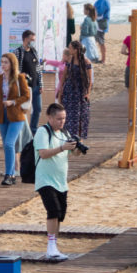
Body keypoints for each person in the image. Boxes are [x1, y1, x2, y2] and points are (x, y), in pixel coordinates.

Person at [33, 103, 80, 260]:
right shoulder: (43, 131)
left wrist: (77, 148)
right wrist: (62, 148)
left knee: (60, 214)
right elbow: (43, 153)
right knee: (53, 211)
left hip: (61, 181)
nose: (62, 121)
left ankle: (54, 246)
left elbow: (74, 154)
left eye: (64, 118)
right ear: (50, 118)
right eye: (59, 119)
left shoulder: (64, 132)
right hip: (45, 180)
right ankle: (50, 247)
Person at [0, 52, 31, 186]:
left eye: (6, 62)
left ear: (12, 64)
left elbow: (26, 95)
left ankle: (9, 174)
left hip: (17, 115)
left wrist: (13, 102)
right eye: (2, 62)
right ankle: (11, 174)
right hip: (2, 115)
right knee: (6, 146)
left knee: (9, 144)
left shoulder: (19, 78)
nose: (3, 65)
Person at [57, 40, 92, 139]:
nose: (69, 50)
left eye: (70, 48)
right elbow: (64, 76)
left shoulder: (86, 62)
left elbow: (90, 80)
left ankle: (78, 139)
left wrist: (88, 93)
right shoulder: (70, 60)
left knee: (80, 116)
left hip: (80, 92)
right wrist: (60, 90)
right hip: (69, 91)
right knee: (68, 115)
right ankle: (68, 137)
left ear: (76, 50)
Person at [13, 29, 43, 132]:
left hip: (36, 85)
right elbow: (14, 69)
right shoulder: (18, 52)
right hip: (24, 86)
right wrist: (21, 74)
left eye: (34, 40)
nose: (33, 42)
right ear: (25, 39)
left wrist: (41, 84)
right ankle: (22, 131)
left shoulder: (34, 51)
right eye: (32, 39)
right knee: (23, 109)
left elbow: (38, 68)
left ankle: (33, 130)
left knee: (38, 109)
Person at [94, 0, 110, 64]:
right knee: (98, 41)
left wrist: (93, 16)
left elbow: (100, 13)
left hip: (101, 24)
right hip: (100, 23)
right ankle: (100, 58)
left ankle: (103, 59)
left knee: (101, 41)